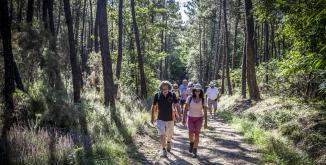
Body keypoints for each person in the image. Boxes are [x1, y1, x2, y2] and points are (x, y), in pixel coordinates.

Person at [151, 81, 180, 157]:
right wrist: (152, 118)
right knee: (162, 134)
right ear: (161, 88)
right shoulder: (157, 95)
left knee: (169, 134)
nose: (165, 89)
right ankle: (163, 150)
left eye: (166, 87)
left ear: (169, 88)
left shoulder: (172, 95)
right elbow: (153, 107)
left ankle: (169, 142)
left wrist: (179, 115)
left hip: (170, 118)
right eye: (163, 87)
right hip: (160, 118)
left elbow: (177, 105)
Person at [183, 84, 208, 157]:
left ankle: (195, 149)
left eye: (199, 90)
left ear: (200, 91)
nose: (197, 92)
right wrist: (183, 118)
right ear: (194, 91)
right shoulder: (189, 98)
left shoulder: (203, 99)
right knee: (190, 132)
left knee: (197, 134)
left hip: (199, 118)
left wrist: (206, 122)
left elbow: (205, 111)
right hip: (190, 117)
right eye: (196, 90)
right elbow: (185, 109)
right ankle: (191, 143)